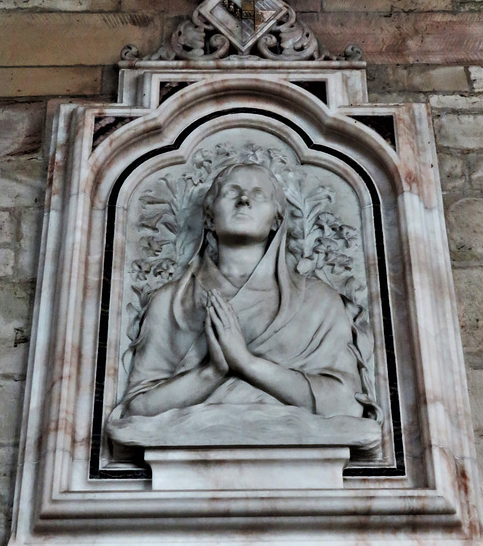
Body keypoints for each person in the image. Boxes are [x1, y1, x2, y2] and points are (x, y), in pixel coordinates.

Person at [107, 162, 381, 450]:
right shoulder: (172, 301)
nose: (244, 200)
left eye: (259, 194)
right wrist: (212, 372)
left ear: (277, 220)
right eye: (231, 192)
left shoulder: (319, 301)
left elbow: (347, 406)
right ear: (210, 218)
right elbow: (139, 408)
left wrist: (247, 364)